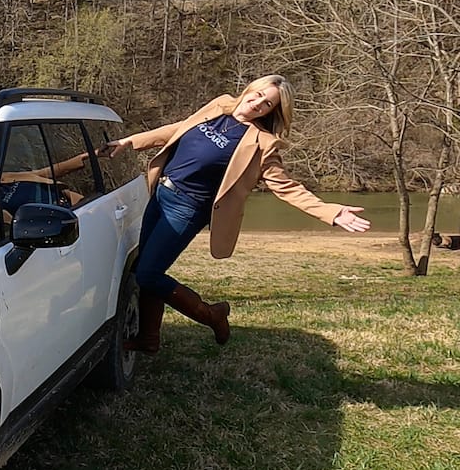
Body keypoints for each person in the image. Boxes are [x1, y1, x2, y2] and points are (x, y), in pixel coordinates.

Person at [102, 74, 371, 354]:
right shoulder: (219, 105)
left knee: (147, 274)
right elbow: (177, 130)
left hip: (187, 208)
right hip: (160, 194)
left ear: (272, 112)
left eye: (267, 104)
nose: (256, 104)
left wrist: (330, 211)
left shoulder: (262, 143)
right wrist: (130, 142)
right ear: (249, 89)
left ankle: (212, 315)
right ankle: (148, 340)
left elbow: (287, 187)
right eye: (257, 95)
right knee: (148, 267)